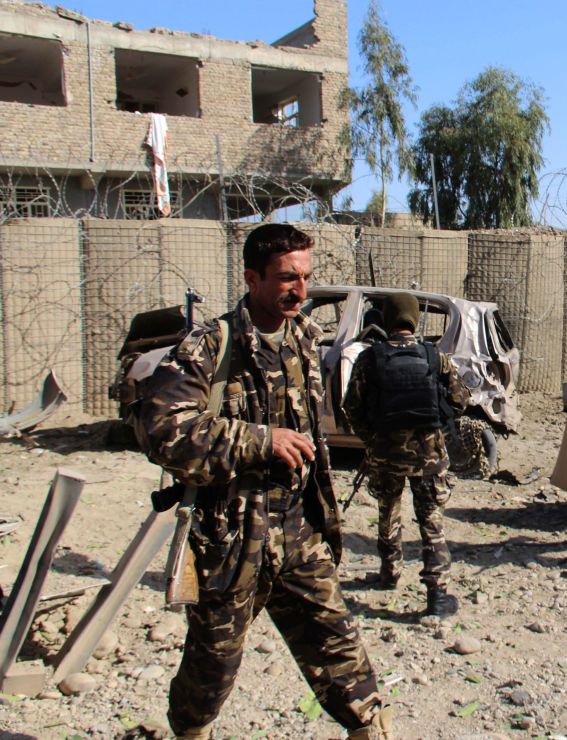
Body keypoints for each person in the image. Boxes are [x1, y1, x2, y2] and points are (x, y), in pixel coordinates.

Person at [138, 224, 391, 739]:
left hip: (299, 534)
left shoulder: (304, 337)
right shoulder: (210, 345)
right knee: (211, 672)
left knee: (346, 664)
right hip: (231, 544)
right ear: (252, 278)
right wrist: (260, 440)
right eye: (285, 277)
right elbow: (161, 431)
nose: (299, 289)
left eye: (305, 276)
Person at [342, 292, 468, 617]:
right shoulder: (434, 356)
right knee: (431, 521)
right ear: (414, 318)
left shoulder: (370, 358)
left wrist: (372, 440)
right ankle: (437, 596)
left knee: (388, 513)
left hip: (385, 456)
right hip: (429, 456)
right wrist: (435, 420)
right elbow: (460, 400)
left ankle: (389, 572)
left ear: (386, 319)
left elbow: (351, 408)